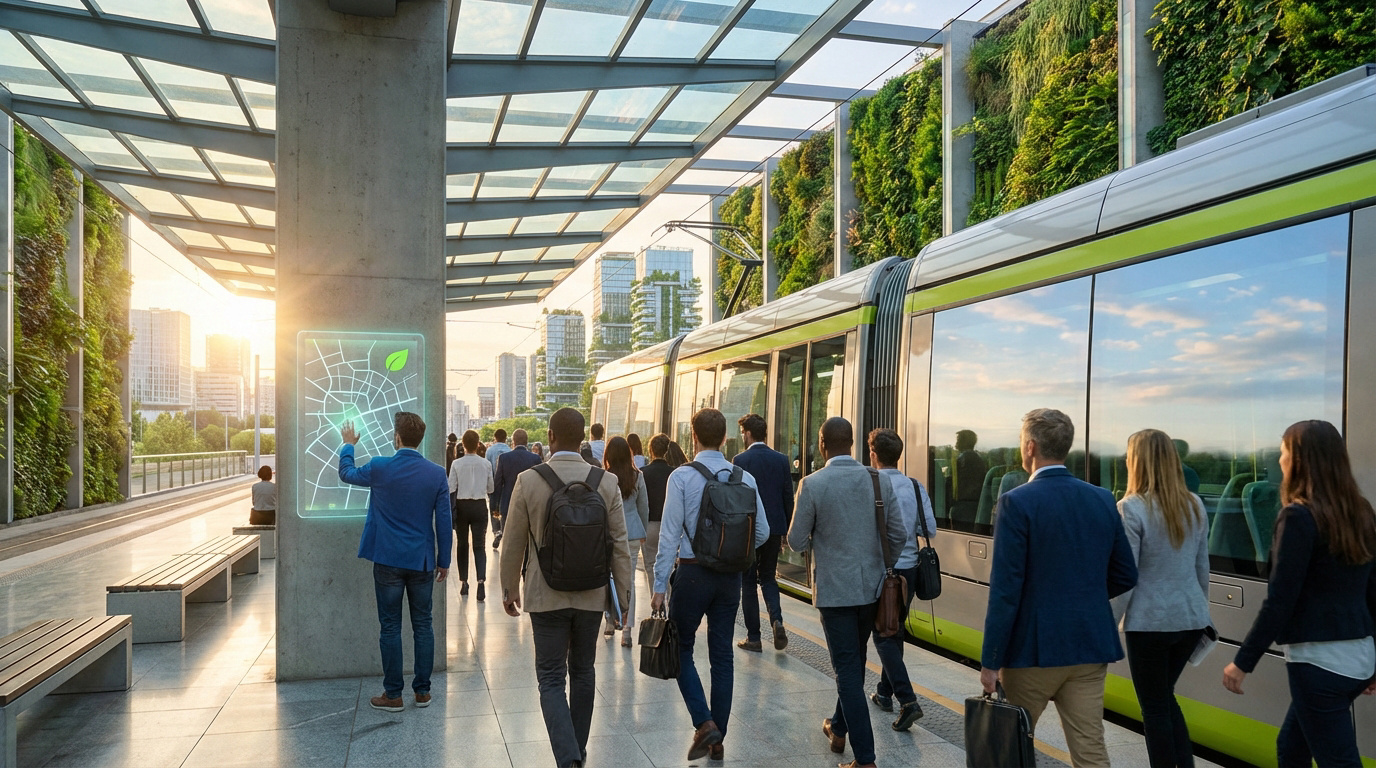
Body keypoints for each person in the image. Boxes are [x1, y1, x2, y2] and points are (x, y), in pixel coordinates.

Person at [980, 408, 1137, 767]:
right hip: (1089, 645)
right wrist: (1085, 597)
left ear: (1031, 447)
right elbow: (1126, 574)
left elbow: (1006, 591)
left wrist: (990, 662)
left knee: (1011, 748)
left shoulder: (1015, 502)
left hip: (1032, 652)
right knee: (1090, 748)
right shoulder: (1101, 498)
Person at [1222, 420, 1376, 767]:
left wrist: (1242, 662)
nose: (1280, 460)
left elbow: (1281, 599)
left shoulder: (1298, 517)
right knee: (1291, 748)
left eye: (1284, 452)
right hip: (1359, 658)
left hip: (1319, 663)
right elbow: (1373, 591)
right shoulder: (1361, 512)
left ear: (1300, 461)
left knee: (1338, 761)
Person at [500, 408, 633, 768]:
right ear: (582, 439)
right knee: (584, 671)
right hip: (592, 595)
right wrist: (622, 599)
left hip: (545, 595)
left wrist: (509, 587)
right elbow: (619, 544)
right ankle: (576, 750)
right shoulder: (606, 482)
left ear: (551, 436)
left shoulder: (529, 480)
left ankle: (568, 758)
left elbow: (512, 541)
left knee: (550, 677)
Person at [652, 408, 771, 762]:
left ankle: (704, 723)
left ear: (693, 436)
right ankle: (717, 740)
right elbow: (761, 532)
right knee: (722, 654)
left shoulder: (682, 477)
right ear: (725, 439)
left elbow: (670, 535)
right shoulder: (744, 478)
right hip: (730, 579)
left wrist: (659, 585)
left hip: (691, 574)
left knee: (680, 649)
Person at [789, 418, 905, 768]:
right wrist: (878, 566)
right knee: (854, 662)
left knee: (847, 674)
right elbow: (899, 534)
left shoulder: (812, 484)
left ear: (822, 443)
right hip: (872, 592)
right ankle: (838, 729)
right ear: (853, 443)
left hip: (835, 594)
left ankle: (866, 759)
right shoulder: (879, 480)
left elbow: (795, 541)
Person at [338, 411, 451, 712]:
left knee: (390, 627)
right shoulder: (436, 473)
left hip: (387, 559)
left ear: (397, 438)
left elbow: (346, 473)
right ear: (419, 439)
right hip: (422, 561)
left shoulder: (379, 467)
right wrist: (445, 561)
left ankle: (393, 694)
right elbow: (443, 520)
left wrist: (348, 444)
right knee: (423, 625)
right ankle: (423, 692)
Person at [1112, 428, 1210, 768]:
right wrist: (1201, 613)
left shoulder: (1130, 508)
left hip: (1149, 624)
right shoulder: (1194, 504)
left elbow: (1125, 579)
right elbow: (1202, 569)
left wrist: (1107, 626)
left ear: (1136, 462)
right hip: (1189, 621)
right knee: (1165, 700)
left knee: (1153, 708)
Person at [866, 428, 937, 732]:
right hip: (909, 572)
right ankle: (884, 694)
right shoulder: (914, 486)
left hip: (881, 572)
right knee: (894, 630)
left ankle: (908, 701)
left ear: (873, 455)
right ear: (899, 455)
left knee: (883, 634)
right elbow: (929, 529)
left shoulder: (870, 484)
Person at [732, 413, 793, 653]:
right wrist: (786, 530)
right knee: (768, 577)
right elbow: (787, 497)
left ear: (747, 433)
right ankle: (776, 620)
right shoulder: (781, 459)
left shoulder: (740, 460)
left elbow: (735, 498)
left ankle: (754, 638)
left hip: (749, 531)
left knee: (748, 582)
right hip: (775, 529)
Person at [603, 436, 648, 647]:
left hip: (609, 534)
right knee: (628, 581)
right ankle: (627, 630)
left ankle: (610, 622)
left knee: (606, 577)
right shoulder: (637, 476)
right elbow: (644, 507)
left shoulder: (604, 477)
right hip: (631, 533)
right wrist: (643, 531)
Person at [449, 430, 495, 602]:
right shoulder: (486, 464)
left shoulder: (456, 464)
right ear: (478, 444)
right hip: (479, 505)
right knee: (479, 545)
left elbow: (451, 487)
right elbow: (491, 488)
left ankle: (464, 582)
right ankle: (481, 583)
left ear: (463, 445)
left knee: (462, 544)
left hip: (462, 506)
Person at [494, 429, 542, 551]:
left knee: (508, 542)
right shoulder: (535, 459)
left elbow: (498, 484)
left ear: (513, 442)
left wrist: (495, 506)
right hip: (529, 504)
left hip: (508, 504)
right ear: (527, 442)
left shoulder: (504, 458)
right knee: (528, 543)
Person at [641, 433, 674, 590]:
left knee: (650, 565)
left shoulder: (642, 473)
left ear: (651, 450)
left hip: (649, 525)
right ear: (667, 451)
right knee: (669, 565)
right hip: (670, 526)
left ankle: (656, 604)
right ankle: (668, 599)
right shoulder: (674, 473)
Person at [487, 429, 511, 547]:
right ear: (506, 438)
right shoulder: (509, 451)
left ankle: (497, 531)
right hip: (506, 486)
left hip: (494, 486)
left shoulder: (490, 450)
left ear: (494, 437)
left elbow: (488, 469)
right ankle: (505, 529)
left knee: (494, 509)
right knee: (505, 508)